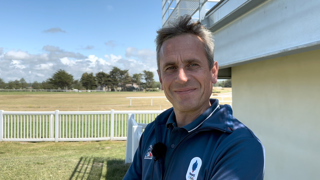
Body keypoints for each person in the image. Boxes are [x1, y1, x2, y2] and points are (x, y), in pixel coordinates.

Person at [123, 15, 264, 180]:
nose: (181, 77)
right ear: (161, 79)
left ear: (213, 72)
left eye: (193, 65)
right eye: (170, 67)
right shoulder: (154, 131)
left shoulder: (238, 145)